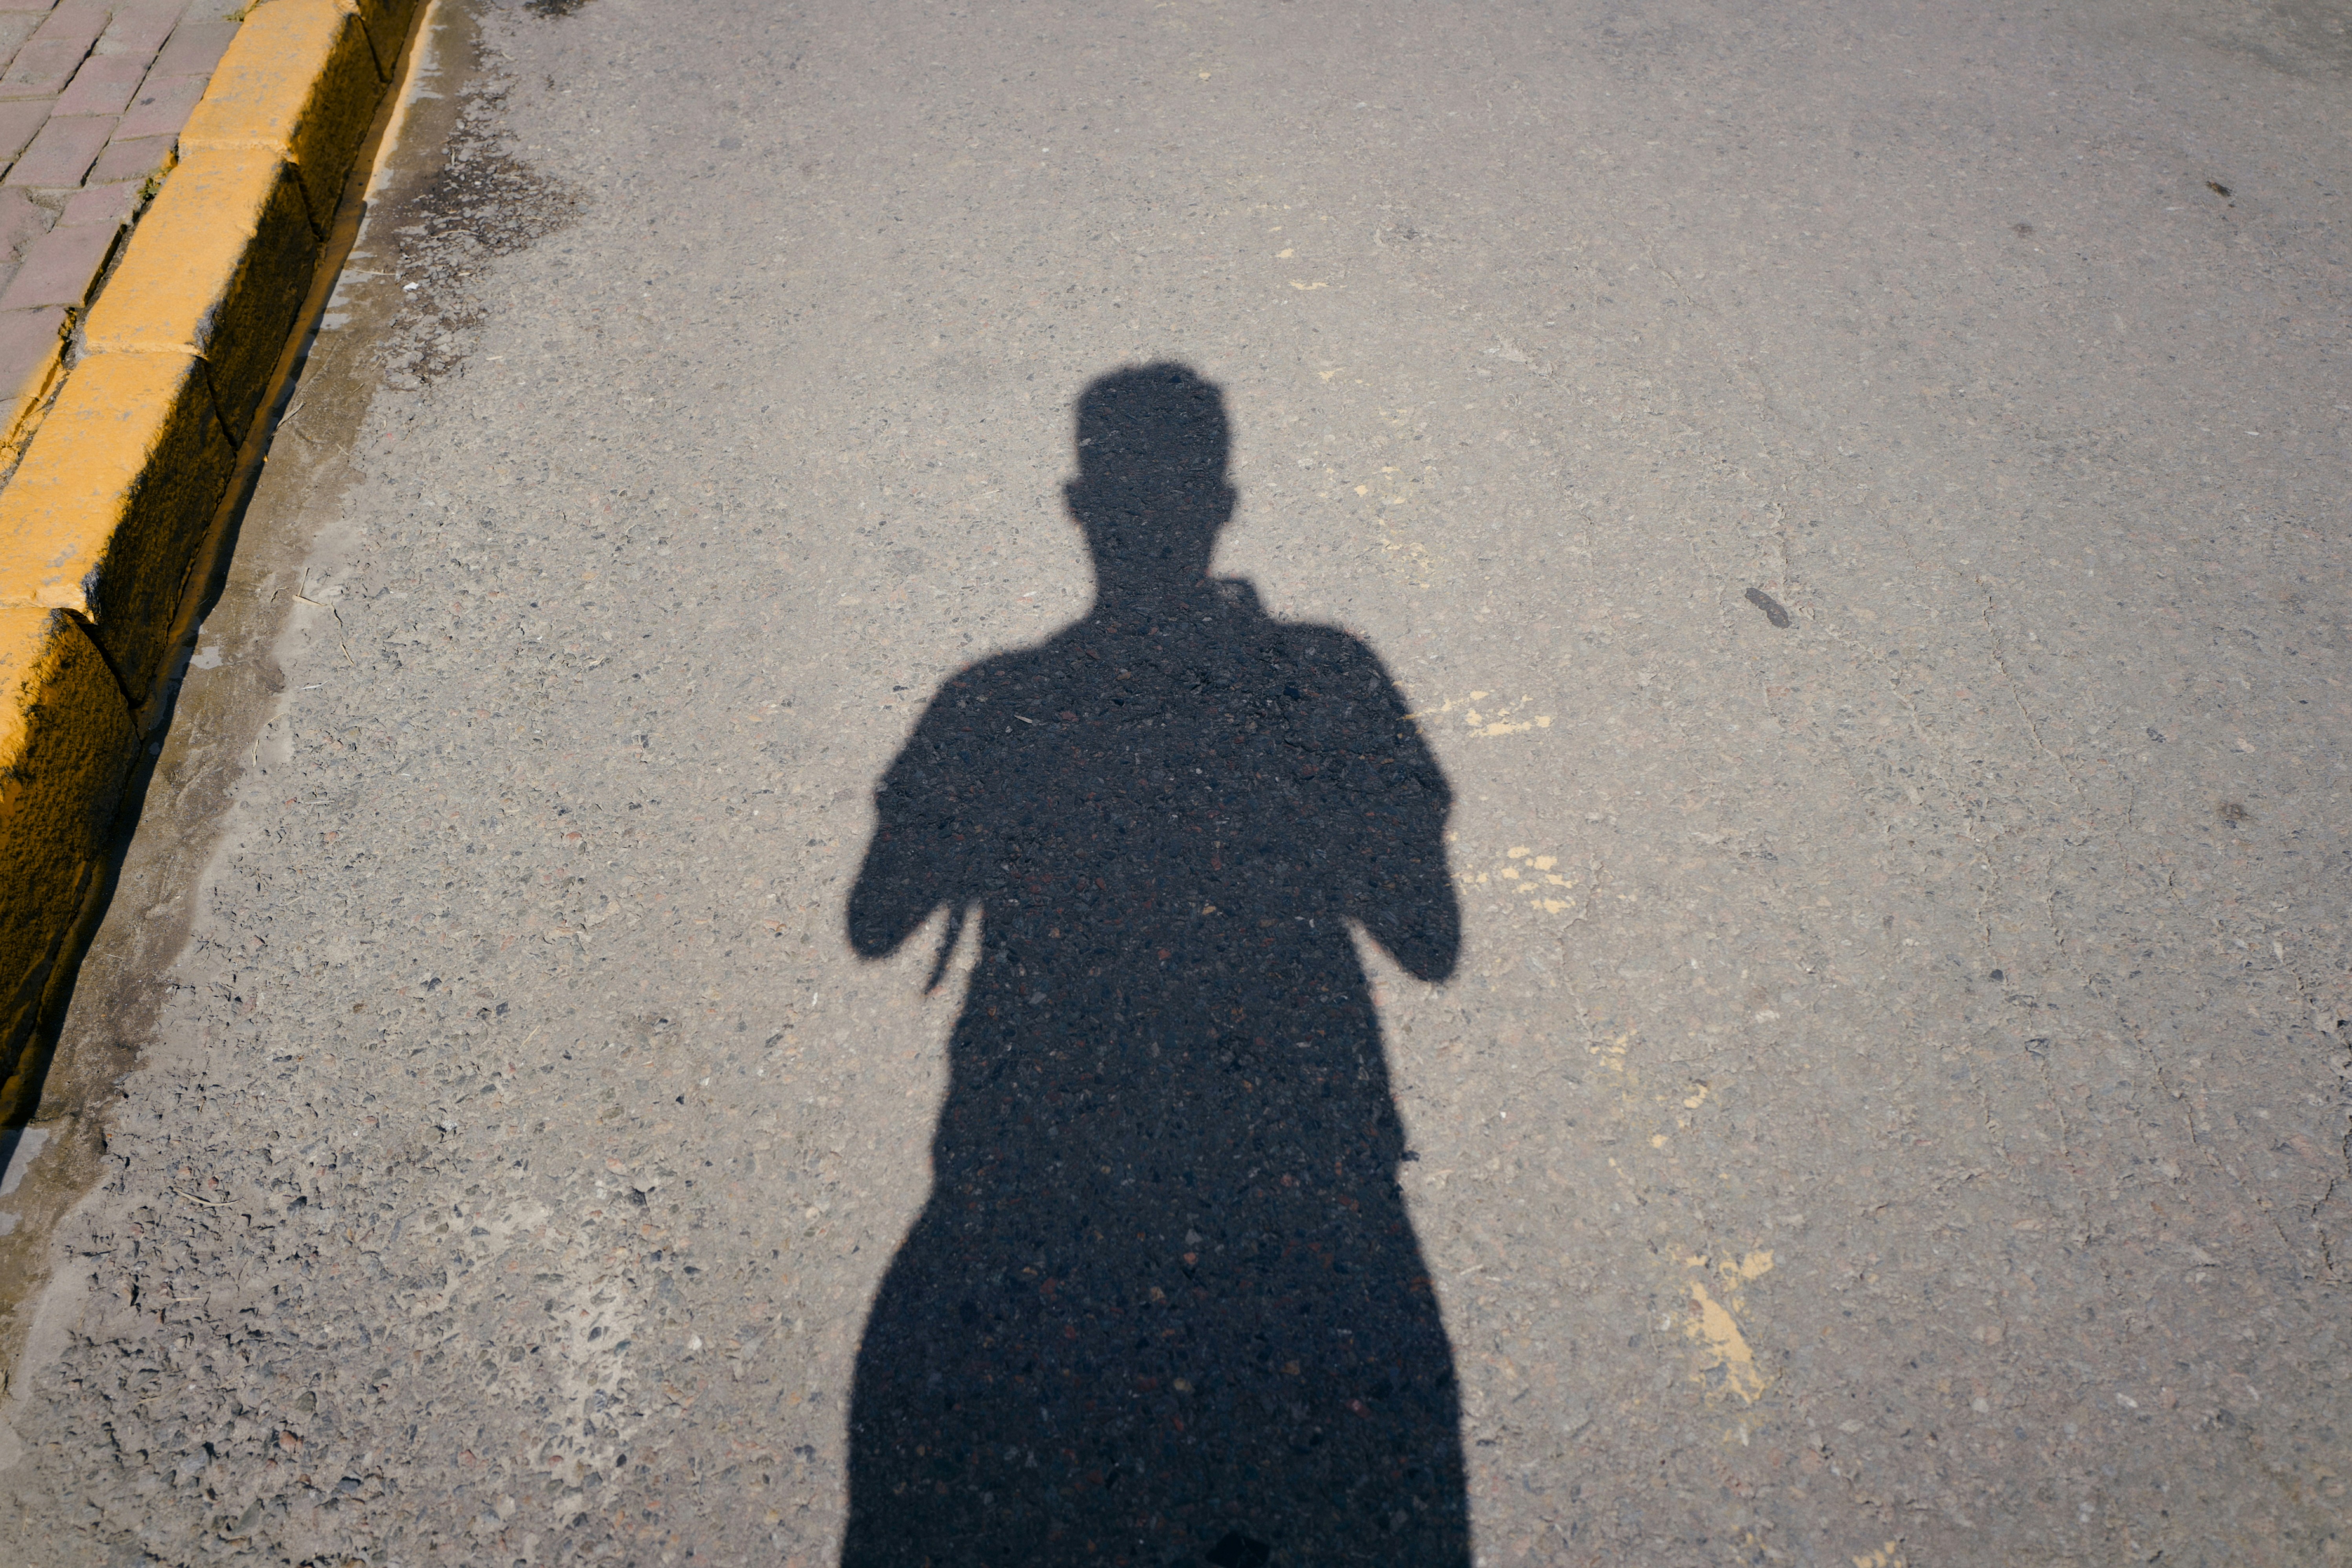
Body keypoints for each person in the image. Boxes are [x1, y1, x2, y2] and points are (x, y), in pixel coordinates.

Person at [843, 364, 1467, 1566]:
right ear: (1223, 504)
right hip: (1302, 1195)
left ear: (1079, 508)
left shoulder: (994, 705)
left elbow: (878, 917)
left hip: (1033, 1202)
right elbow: (1426, 938)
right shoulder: (1327, 676)